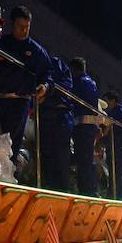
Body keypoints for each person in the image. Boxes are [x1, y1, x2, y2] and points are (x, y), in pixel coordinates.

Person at [0, 5, 52, 161]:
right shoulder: (2, 43)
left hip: (20, 102)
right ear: (12, 24)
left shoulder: (36, 50)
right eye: (20, 26)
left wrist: (45, 85)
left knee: (11, 145)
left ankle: (9, 175)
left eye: (26, 27)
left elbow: (48, 73)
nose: (23, 30)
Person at [39, 56, 75, 191]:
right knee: (47, 151)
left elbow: (64, 87)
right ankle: (51, 185)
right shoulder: (41, 67)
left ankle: (62, 187)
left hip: (60, 115)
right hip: (47, 114)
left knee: (60, 153)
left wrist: (48, 93)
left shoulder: (55, 64)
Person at [68, 57, 101, 196]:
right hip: (90, 126)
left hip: (82, 125)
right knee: (87, 158)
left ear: (74, 69)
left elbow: (70, 98)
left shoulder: (78, 81)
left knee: (83, 158)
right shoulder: (91, 82)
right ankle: (90, 188)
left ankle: (87, 190)